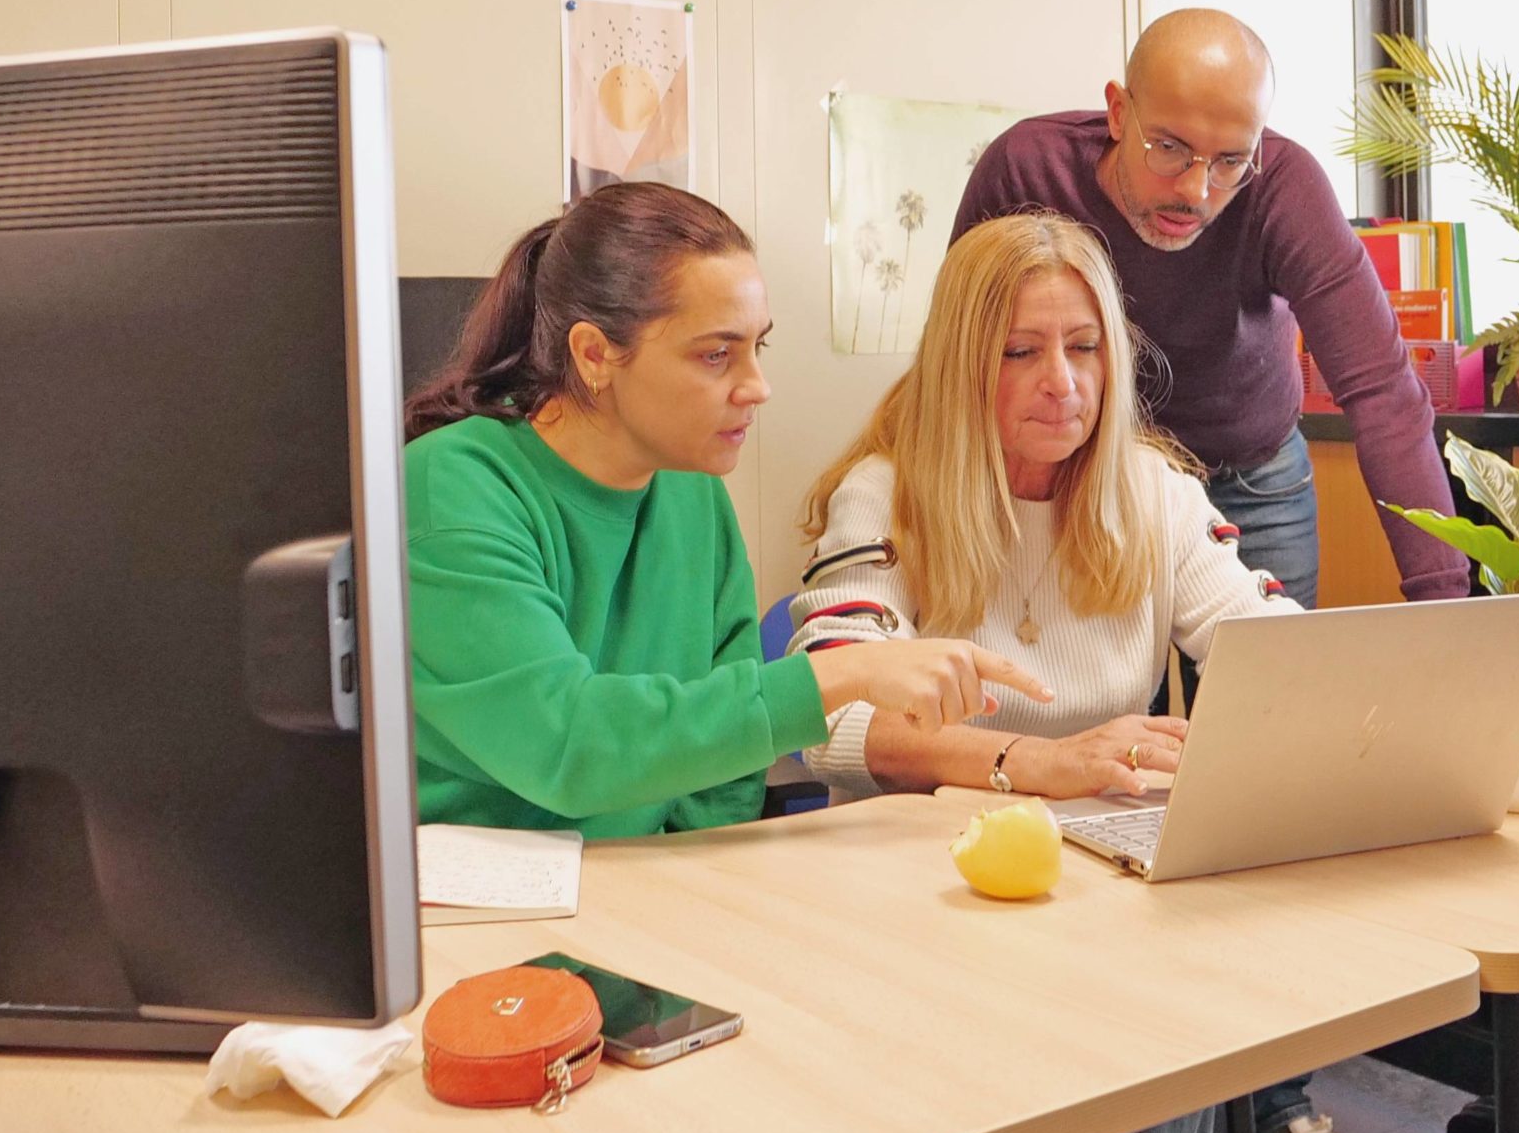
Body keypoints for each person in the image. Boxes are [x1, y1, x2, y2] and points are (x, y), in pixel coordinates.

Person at [950, 6, 1461, 1133]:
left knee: (1270, 771)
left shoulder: (1278, 187)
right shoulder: (1027, 167)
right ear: (1113, 111)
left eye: (1229, 158)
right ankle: (1053, 1088)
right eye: (1171, 149)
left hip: (1239, 473)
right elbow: (968, 346)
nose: (1199, 189)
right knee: (1073, 762)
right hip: (1087, 480)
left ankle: (1272, 1118)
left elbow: (1379, 385)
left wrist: (1445, 615)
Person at [791, 211, 1296, 1133]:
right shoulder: (886, 493)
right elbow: (832, 724)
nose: (1061, 382)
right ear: (960, 363)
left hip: (1107, 878)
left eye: (1085, 347)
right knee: (1166, 1034)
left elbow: (1274, 651)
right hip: (933, 897)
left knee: (1182, 1014)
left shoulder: (1151, 491)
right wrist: (1037, 764)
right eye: (1020, 351)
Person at [404, 181, 1045, 837]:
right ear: (595, 355)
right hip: (480, 915)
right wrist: (846, 671)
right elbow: (568, 745)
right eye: (716, 355)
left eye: (756, 347)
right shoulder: (451, 486)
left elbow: (724, 778)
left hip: (643, 890)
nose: (757, 387)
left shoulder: (689, 483)